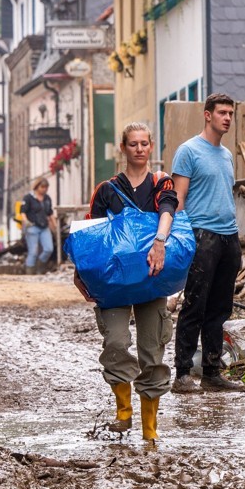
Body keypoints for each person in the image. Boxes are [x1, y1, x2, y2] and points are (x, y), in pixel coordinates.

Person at [78, 122, 178, 441]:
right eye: (132, 144)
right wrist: (81, 274)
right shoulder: (106, 189)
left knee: (152, 350)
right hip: (115, 281)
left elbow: (168, 209)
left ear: (151, 147)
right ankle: (124, 413)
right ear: (123, 148)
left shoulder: (162, 182)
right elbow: (91, 236)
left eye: (144, 144)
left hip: (151, 276)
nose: (139, 149)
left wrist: (159, 242)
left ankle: (151, 430)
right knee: (116, 342)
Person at [169, 93, 245, 394]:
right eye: (222, 113)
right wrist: (182, 237)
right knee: (195, 305)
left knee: (220, 308)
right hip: (202, 235)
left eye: (231, 113)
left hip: (229, 237)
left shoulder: (226, 155)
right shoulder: (188, 151)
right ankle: (183, 373)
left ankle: (213, 372)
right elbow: (178, 200)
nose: (227, 118)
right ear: (207, 115)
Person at [22, 178, 55, 274]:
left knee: (48, 249)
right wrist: (26, 221)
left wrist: (55, 226)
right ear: (37, 187)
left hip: (44, 227)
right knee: (33, 251)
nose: (44, 189)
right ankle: (30, 273)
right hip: (32, 227)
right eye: (42, 187)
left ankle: (39, 268)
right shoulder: (28, 198)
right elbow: (23, 212)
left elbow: (50, 213)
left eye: (46, 187)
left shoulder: (47, 198)